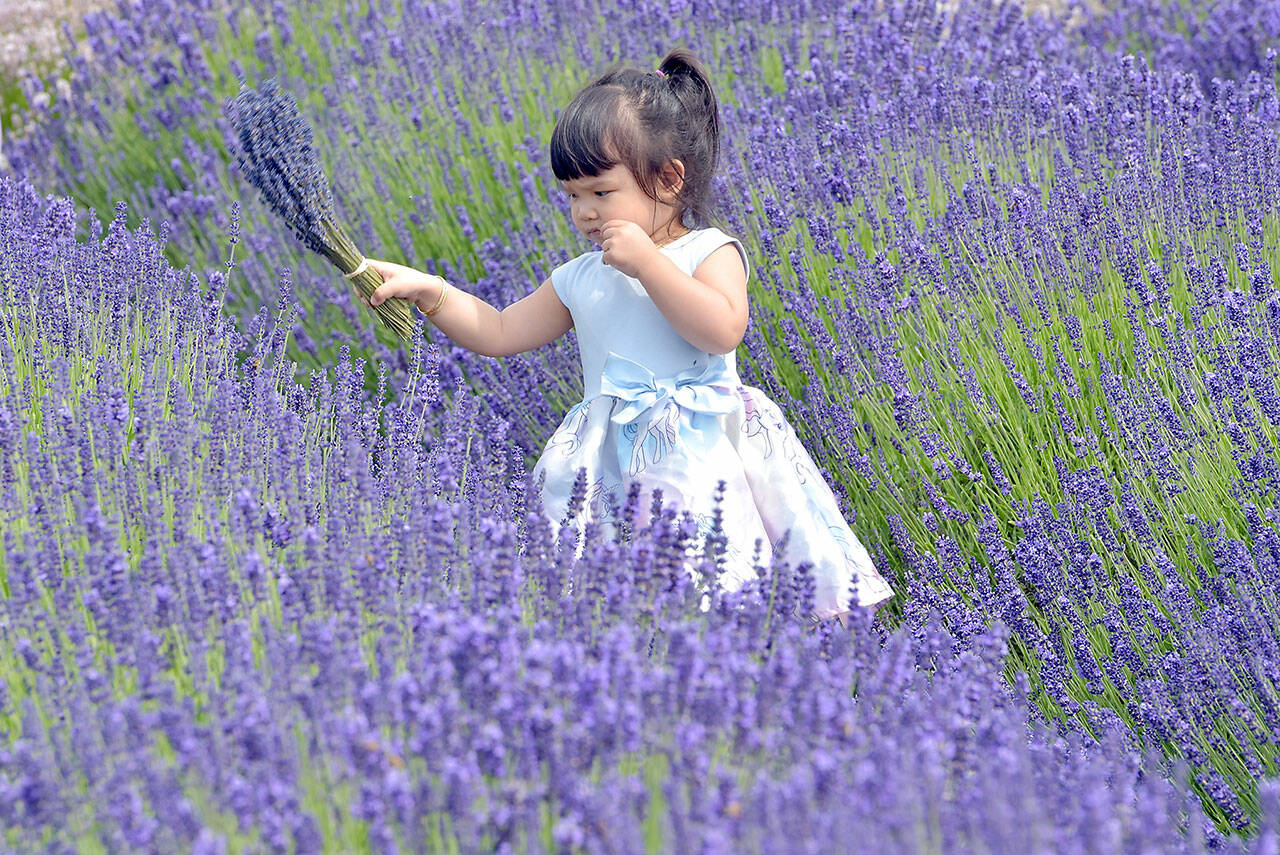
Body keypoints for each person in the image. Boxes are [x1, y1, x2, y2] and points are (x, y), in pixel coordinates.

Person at [359, 48, 893, 626]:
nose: (584, 211)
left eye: (600, 192)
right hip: (610, 461)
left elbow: (721, 329)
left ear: (668, 179)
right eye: (572, 195)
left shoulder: (706, 252)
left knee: (725, 590)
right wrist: (431, 291)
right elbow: (501, 330)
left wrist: (649, 266)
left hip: (701, 456)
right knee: (623, 605)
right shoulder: (581, 276)